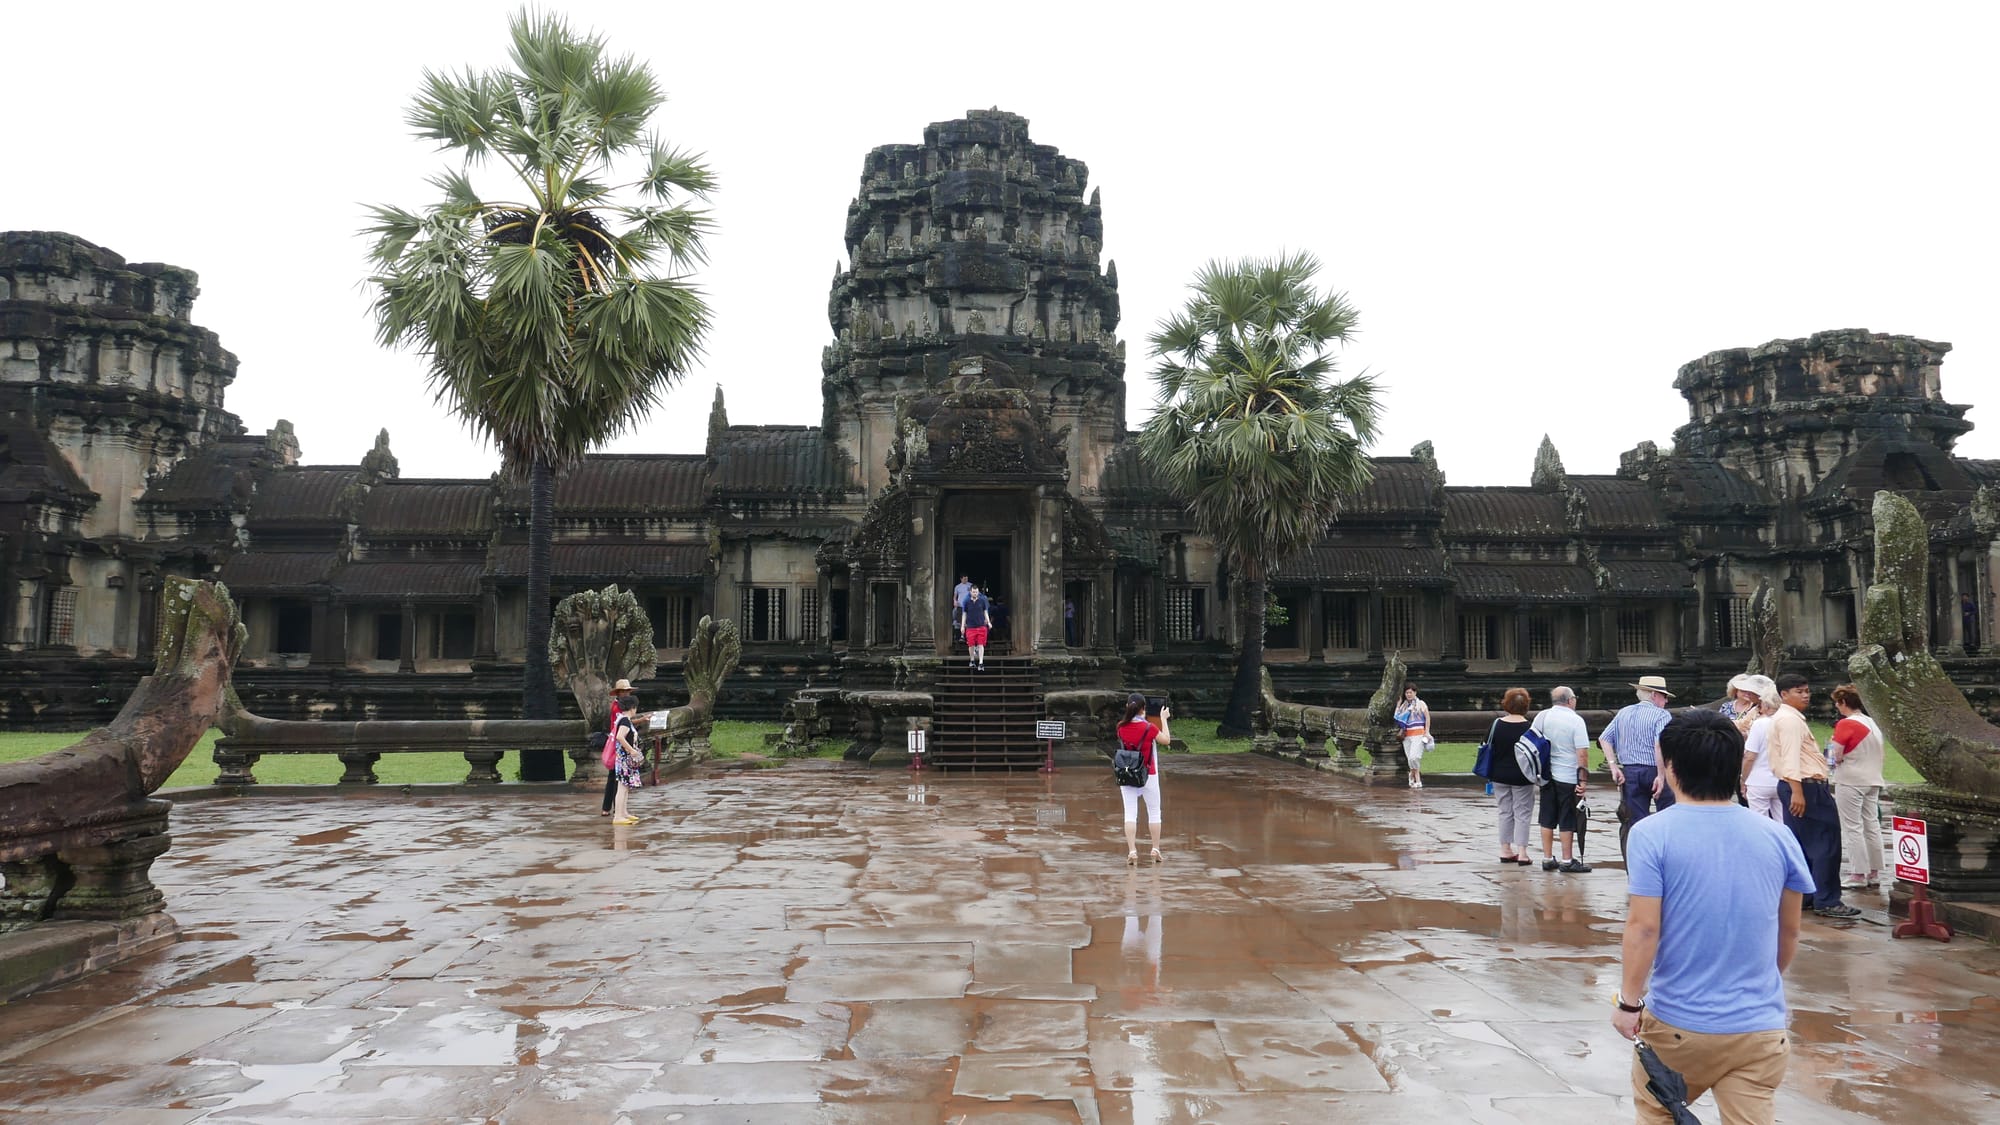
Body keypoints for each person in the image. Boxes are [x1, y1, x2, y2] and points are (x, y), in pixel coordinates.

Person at [1614, 708, 1813, 1125]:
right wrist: (1755, 983)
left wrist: (1629, 1003)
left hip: (1678, 1024)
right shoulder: (1778, 836)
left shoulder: (1651, 833)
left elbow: (1644, 927)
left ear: (1671, 768)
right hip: (1759, 1029)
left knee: (1658, 1113)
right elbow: (1789, 932)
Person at [1769, 673, 1858, 918]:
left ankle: (1807, 895)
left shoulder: (1787, 718)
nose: (1805, 695)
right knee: (1825, 844)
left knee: (1803, 845)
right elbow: (1790, 757)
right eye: (1799, 691)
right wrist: (1798, 791)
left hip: (1797, 785)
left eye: (1807, 690)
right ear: (1784, 694)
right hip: (1804, 786)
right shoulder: (1789, 721)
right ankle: (1827, 900)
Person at [1600, 676, 1678, 841]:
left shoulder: (1623, 712)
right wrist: (1661, 775)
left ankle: (1641, 855)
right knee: (1668, 816)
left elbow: (1604, 738)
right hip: (1653, 769)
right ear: (1654, 695)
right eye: (1664, 696)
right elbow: (1659, 745)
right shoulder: (1662, 715)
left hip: (1630, 772)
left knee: (1636, 822)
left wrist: (1614, 766)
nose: (1666, 701)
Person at [1827, 683, 1886, 892]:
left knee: (1852, 827)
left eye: (1838, 703)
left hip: (1851, 779)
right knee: (1872, 825)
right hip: (1873, 778)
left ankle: (1858, 873)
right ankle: (1875, 871)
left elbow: (1836, 755)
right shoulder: (1872, 723)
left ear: (1844, 703)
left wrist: (1830, 757)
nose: (1837, 707)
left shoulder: (1845, 724)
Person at [1533, 686, 1592, 873]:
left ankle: (1547, 858)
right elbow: (1582, 754)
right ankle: (1567, 860)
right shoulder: (1576, 721)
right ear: (1569, 700)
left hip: (1547, 775)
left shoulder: (1542, 716)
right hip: (1568, 775)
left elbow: (1533, 742)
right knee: (1567, 818)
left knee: (1547, 817)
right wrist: (1583, 782)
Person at [1116, 692, 1173, 864]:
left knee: (1130, 814)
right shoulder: (1149, 728)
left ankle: (1132, 851)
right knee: (1154, 812)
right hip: (1149, 774)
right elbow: (1166, 740)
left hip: (1127, 773)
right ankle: (1155, 849)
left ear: (1128, 707)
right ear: (1143, 709)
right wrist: (1163, 718)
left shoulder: (1120, 727)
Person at [1488, 688, 1537, 866]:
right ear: (1526, 705)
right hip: (1523, 776)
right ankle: (1522, 852)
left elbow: (1487, 746)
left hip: (1499, 774)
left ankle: (1505, 849)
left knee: (1505, 811)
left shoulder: (1497, 725)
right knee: (1522, 813)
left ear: (1506, 704)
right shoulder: (1530, 727)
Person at [1735, 676, 1784, 822]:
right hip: (1781, 778)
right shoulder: (1789, 720)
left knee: (1759, 820)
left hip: (1759, 779)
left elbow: (1750, 756)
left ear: (1767, 705)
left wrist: (1743, 779)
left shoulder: (1760, 723)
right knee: (1781, 820)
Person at [600, 680, 637, 817]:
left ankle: (613, 808)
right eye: (625, 691)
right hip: (619, 748)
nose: (627, 694)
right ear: (619, 693)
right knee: (618, 780)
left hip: (618, 746)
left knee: (616, 779)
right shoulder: (617, 708)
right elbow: (622, 729)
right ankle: (615, 809)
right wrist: (631, 750)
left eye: (628, 691)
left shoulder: (620, 707)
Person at [608, 687, 643, 826]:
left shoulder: (624, 720)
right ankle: (618, 816)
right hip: (624, 758)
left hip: (625, 758)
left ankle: (623, 812)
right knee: (622, 787)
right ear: (632, 708)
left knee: (625, 787)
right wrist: (631, 751)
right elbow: (620, 737)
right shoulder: (624, 721)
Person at [1392, 683, 1432, 789]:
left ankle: (1416, 777)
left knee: (1415, 757)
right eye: (1407, 693)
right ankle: (1413, 775)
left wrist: (1426, 732)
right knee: (1410, 759)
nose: (1409, 695)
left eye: (1411, 692)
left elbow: (1427, 717)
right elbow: (1397, 717)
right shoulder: (1404, 706)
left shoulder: (1421, 704)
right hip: (1407, 736)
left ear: (1415, 693)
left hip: (1418, 734)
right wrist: (1398, 704)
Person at [962, 583, 992, 671]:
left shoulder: (982, 600)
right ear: (970, 592)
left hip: (981, 626)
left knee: (981, 644)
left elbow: (985, 612)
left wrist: (989, 622)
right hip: (970, 626)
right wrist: (963, 625)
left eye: (976, 592)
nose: (975, 593)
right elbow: (964, 614)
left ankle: (981, 662)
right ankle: (972, 660)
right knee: (971, 645)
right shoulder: (966, 601)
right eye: (974, 592)